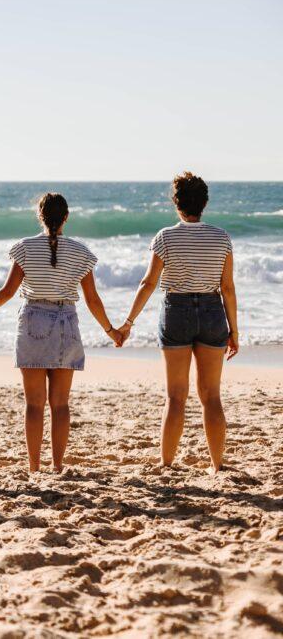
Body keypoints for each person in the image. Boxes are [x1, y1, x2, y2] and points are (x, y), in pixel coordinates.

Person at [0, 193, 121, 473]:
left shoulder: (25, 248)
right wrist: (111, 331)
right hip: (66, 321)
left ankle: (34, 467)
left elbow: (7, 292)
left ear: (39, 216)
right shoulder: (81, 252)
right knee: (60, 404)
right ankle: (57, 466)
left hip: (33, 319)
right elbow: (92, 300)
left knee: (34, 404)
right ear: (66, 217)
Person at [117, 172, 238, 473]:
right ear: (204, 203)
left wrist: (128, 322)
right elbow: (227, 288)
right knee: (211, 395)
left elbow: (148, 283)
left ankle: (167, 462)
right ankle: (217, 464)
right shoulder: (221, 237)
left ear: (176, 203)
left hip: (176, 310)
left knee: (176, 396)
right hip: (212, 310)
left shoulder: (166, 237)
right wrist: (234, 330)